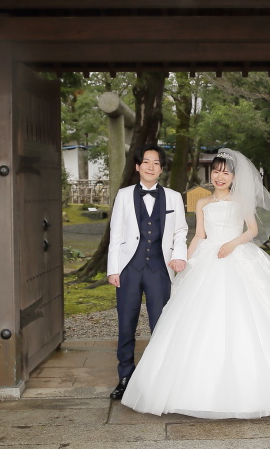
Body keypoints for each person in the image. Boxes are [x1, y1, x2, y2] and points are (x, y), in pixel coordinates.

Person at [121, 148, 270, 418]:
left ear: (234, 177)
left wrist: (233, 243)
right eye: (216, 171)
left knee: (250, 312)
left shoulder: (240, 201)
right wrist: (185, 260)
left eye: (225, 172)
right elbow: (198, 235)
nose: (220, 177)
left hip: (237, 253)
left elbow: (252, 230)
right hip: (208, 257)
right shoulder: (202, 202)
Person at [107, 144, 188, 400]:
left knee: (160, 325)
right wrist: (113, 269)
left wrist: (179, 255)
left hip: (159, 269)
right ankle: (125, 377)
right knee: (126, 324)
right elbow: (116, 233)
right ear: (137, 166)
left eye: (156, 163)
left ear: (161, 169)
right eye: (146, 162)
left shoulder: (174, 197)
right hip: (129, 268)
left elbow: (181, 231)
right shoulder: (124, 195)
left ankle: (159, 380)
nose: (151, 167)